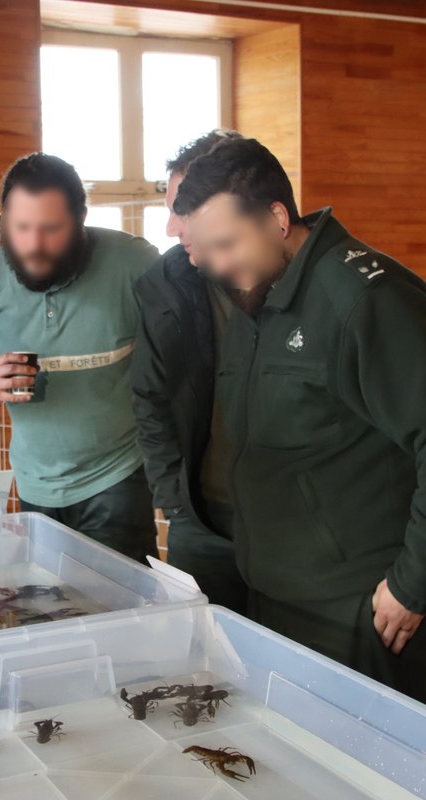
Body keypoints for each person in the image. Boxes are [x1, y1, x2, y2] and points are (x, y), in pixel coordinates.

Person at [174, 137, 426, 707]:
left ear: (278, 219)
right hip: (282, 595)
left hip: (361, 610)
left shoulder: (364, 299)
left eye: (226, 244)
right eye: (205, 252)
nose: (220, 266)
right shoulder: (261, 291)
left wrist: (415, 584)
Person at [0, 153, 160, 562]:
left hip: (118, 478)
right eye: (21, 228)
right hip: (34, 486)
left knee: (122, 616)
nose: (33, 245)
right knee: (52, 612)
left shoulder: (135, 264)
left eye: (51, 229)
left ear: (80, 218)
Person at [131, 130, 248, 613]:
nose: (171, 228)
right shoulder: (164, 282)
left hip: (285, 524)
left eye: (182, 209)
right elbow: (149, 396)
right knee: (205, 668)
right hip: (199, 519)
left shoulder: (290, 277)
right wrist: (174, 500)